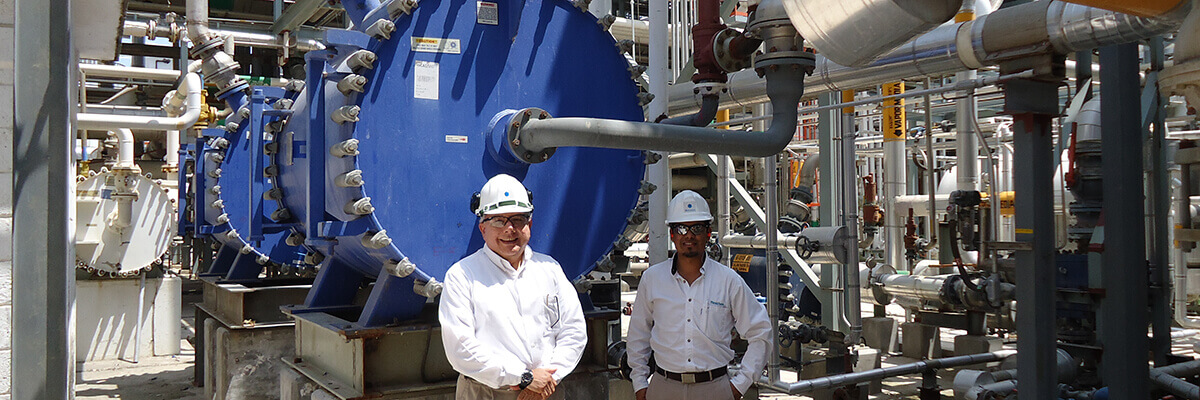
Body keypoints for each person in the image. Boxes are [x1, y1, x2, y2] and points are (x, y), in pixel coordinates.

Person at [439, 174, 587, 400]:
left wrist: (548, 379)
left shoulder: (549, 269)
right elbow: (461, 348)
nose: (510, 229)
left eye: (518, 219)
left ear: (530, 224)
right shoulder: (462, 276)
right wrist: (524, 378)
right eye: (499, 220)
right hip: (487, 393)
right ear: (482, 228)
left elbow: (574, 330)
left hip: (548, 390)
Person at [627, 190, 773, 400]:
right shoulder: (652, 279)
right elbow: (637, 336)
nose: (689, 235)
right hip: (664, 388)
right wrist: (640, 384)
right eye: (681, 228)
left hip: (715, 389)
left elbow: (760, 332)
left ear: (708, 232)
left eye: (696, 228)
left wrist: (739, 386)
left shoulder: (728, 280)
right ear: (672, 234)